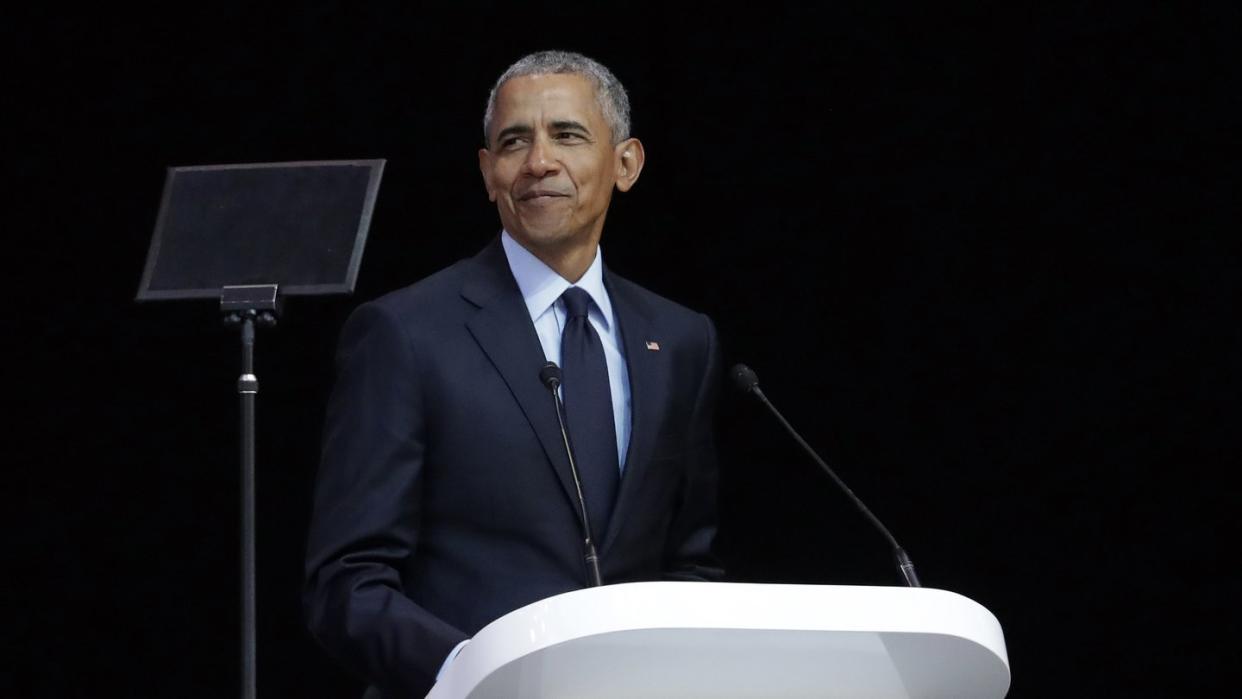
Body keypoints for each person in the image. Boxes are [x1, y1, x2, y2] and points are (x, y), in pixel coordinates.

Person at [303, 50, 724, 698]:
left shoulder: (682, 338)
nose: (538, 162)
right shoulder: (405, 334)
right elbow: (347, 582)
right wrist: (480, 673)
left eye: (568, 135)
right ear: (486, 171)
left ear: (626, 163)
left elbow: (689, 562)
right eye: (513, 141)